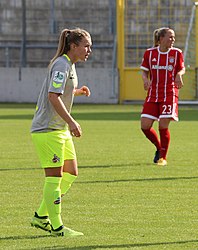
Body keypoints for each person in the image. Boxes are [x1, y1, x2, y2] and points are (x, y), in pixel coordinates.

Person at [30, 28, 92, 237]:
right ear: (73, 46)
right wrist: (72, 122)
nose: (88, 50)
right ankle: (57, 227)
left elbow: (61, 90)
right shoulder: (61, 64)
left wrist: (77, 91)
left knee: (71, 173)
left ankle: (40, 216)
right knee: (54, 178)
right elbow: (53, 96)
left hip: (59, 129)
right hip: (48, 129)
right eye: (86, 46)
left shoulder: (70, 65)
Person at [140, 27, 185, 166]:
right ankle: (159, 148)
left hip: (169, 94)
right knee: (145, 125)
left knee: (163, 125)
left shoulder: (177, 53)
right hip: (153, 94)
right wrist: (145, 79)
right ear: (161, 39)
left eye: (173, 37)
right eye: (170, 37)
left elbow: (181, 68)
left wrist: (178, 75)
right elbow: (144, 71)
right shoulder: (150, 53)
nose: (173, 40)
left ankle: (162, 158)